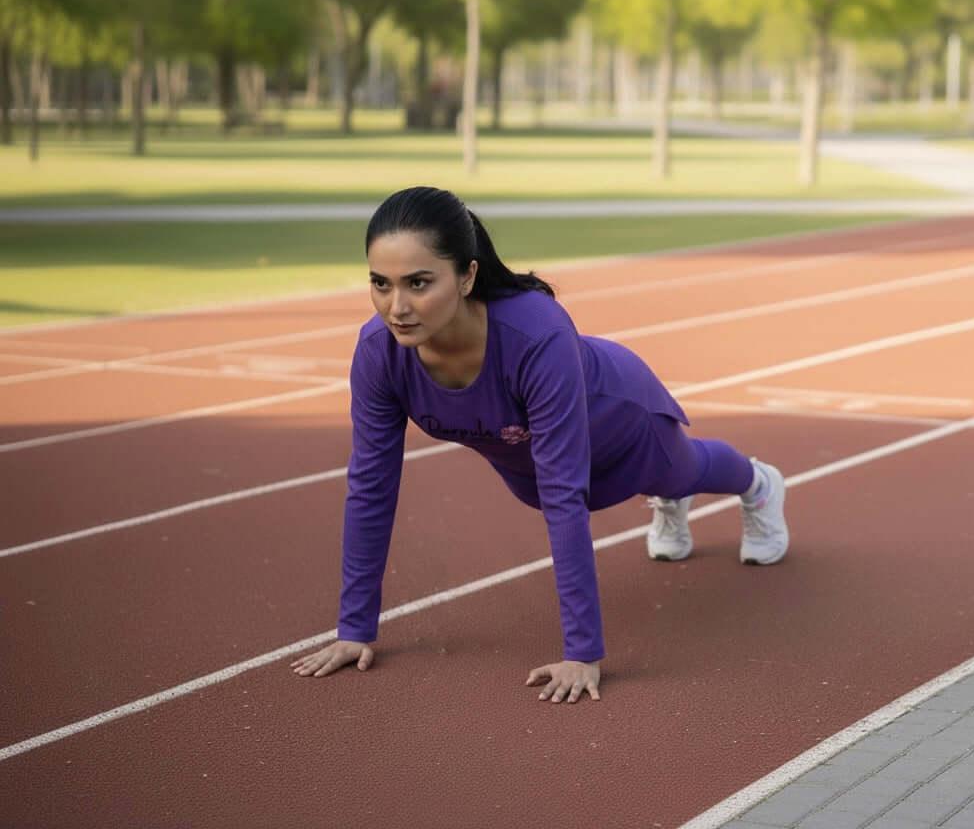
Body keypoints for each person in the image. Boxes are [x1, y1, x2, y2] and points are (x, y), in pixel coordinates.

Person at [291, 187, 788, 703]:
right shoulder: (380, 354)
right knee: (553, 490)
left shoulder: (537, 334)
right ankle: (672, 502)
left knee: (684, 469)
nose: (397, 308)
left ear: (467, 276)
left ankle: (758, 485)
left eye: (419, 283)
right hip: (525, 454)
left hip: (617, 420)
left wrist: (583, 652)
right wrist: (354, 628)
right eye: (380, 283)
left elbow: (562, 492)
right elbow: (371, 485)